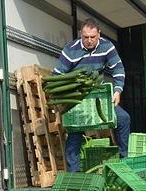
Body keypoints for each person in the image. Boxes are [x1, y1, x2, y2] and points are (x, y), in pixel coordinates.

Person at [53, 18, 131, 172]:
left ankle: (124, 163)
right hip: (77, 100)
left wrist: (117, 91)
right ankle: (73, 175)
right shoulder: (70, 50)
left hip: (99, 98)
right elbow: (56, 75)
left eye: (92, 37)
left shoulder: (107, 46)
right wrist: (64, 96)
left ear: (99, 34)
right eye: (85, 37)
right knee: (74, 133)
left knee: (123, 118)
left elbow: (118, 69)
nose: (89, 40)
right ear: (81, 34)